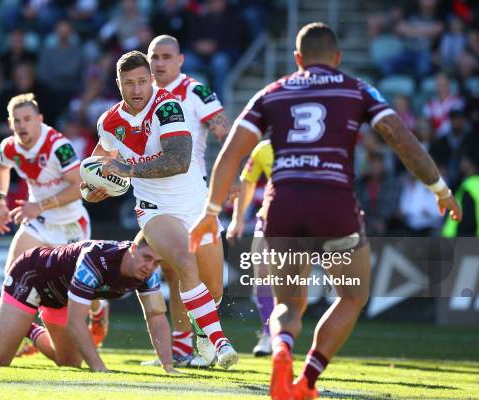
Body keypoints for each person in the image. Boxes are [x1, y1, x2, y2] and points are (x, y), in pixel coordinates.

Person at [189, 22, 462, 399]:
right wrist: (440, 189)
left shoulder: (272, 92)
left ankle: (282, 349)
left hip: (282, 207)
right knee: (352, 296)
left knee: (288, 303)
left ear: (297, 59)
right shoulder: (356, 89)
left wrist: (211, 210)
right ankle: (306, 381)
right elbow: (400, 137)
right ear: (337, 57)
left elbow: (232, 151)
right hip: (333, 204)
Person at [83, 50, 238, 369]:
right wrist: (93, 190)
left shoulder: (167, 105)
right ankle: (220, 341)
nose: (137, 89)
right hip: (154, 209)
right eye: (129, 83)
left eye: (142, 81)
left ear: (151, 80)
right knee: (183, 261)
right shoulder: (109, 122)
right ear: (118, 84)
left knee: (215, 289)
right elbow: (95, 169)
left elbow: (179, 160)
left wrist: (126, 169)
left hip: (196, 204)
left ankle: (201, 332)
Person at [0, 236, 179, 374]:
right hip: (32, 276)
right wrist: (100, 369)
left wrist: (168, 365)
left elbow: (155, 316)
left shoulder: (147, 273)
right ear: (132, 248)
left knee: (69, 362)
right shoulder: (97, 259)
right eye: (146, 258)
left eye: (155, 262)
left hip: (62, 296)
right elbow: (75, 321)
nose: (149, 266)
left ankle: (28, 328)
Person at [0, 93, 106, 347]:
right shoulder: (9, 146)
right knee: (11, 277)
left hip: (71, 224)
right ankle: (17, 335)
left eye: (27, 119)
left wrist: (39, 205)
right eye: (17, 121)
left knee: (81, 288)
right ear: (10, 124)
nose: (22, 126)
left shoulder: (58, 146)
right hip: (39, 221)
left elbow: (80, 187)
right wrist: (0, 204)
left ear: (39, 120)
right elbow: (0, 167)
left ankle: (98, 309)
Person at [145, 34, 230, 366]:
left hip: (194, 197)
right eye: (155, 57)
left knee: (210, 283)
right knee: (173, 270)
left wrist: (230, 174)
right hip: (156, 198)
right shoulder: (143, 97)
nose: (160, 63)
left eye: (167, 57)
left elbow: (225, 131)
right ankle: (182, 347)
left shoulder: (195, 92)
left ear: (180, 61)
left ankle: (204, 340)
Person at [226, 139, 275, 356]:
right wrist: (237, 219)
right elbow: (247, 182)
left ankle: (282, 336)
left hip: (302, 222)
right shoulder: (264, 148)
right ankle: (268, 333)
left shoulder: (314, 147)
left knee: (291, 284)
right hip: (269, 218)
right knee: (262, 273)